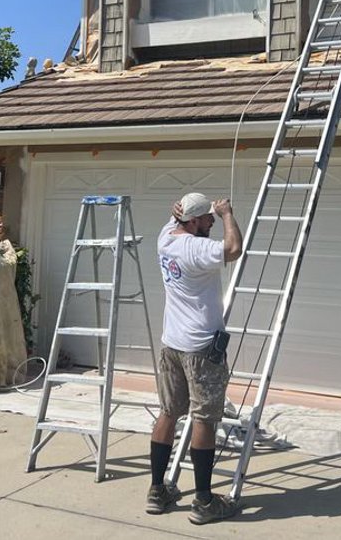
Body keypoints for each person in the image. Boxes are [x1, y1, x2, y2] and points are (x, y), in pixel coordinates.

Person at [146, 192, 243, 525]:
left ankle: (158, 490)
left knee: (169, 412)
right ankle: (203, 501)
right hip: (201, 348)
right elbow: (233, 249)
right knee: (204, 419)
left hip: (171, 344)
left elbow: (177, 222)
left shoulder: (165, 239)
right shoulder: (196, 248)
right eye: (208, 219)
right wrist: (228, 213)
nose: (212, 222)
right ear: (195, 220)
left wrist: (176, 215)